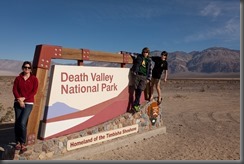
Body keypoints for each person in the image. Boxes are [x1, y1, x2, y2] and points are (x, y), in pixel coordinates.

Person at [12, 61, 38, 152]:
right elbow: (14, 89)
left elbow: (34, 91)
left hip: (28, 103)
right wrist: (19, 99)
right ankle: (17, 142)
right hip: (18, 102)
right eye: (25, 67)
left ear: (31, 69)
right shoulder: (18, 78)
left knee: (23, 122)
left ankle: (22, 143)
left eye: (28, 68)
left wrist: (24, 98)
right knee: (17, 122)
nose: (27, 69)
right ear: (23, 68)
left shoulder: (34, 79)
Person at [130, 47, 152, 112]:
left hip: (144, 77)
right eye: (144, 52)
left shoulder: (149, 60)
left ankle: (135, 104)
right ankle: (137, 105)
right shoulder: (138, 56)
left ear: (148, 53)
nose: (145, 53)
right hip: (137, 75)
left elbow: (150, 70)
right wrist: (121, 52)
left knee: (140, 90)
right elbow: (131, 54)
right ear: (142, 52)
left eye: (146, 52)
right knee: (136, 90)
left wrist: (149, 78)